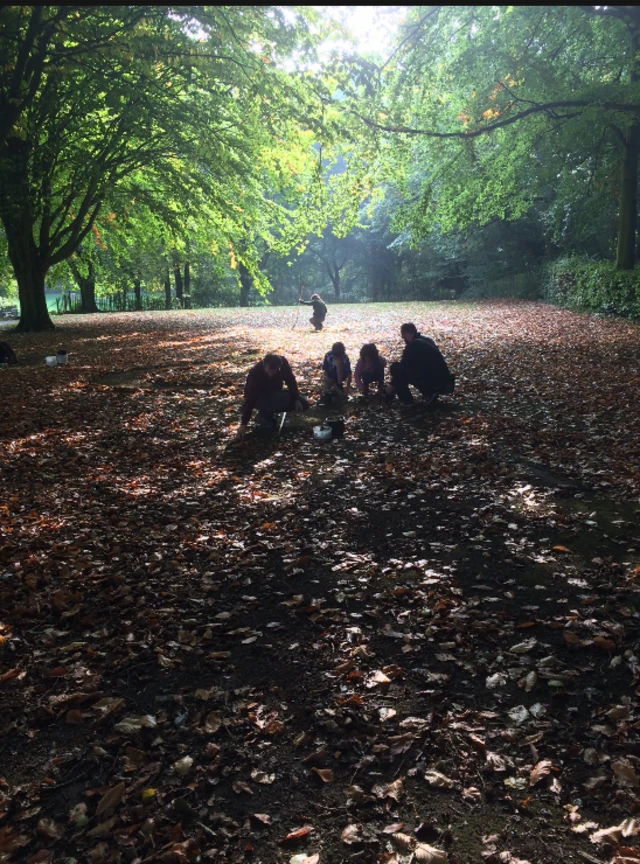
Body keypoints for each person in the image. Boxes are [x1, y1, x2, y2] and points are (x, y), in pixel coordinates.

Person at [236, 353, 309, 440]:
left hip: (276, 394)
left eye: (274, 372)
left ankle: (269, 413)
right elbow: (250, 399)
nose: (271, 374)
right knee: (275, 401)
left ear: (279, 367)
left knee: (303, 404)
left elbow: (291, 381)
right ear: (264, 366)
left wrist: (296, 399)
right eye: (269, 372)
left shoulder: (283, 364)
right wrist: (244, 424)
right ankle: (264, 415)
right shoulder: (255, 373)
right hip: (260, 398)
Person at [388, 323, 454, 407]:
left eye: (403, 335)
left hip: (432, 379)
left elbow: (403, 367)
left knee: (395, 368)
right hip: (442, 376)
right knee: (408, 370)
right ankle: (428, 394)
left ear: (407, 333)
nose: (403, 338)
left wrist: (392, 384)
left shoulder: (413, 345)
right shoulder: (427, 340)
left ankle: (407, 400)